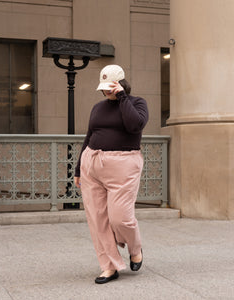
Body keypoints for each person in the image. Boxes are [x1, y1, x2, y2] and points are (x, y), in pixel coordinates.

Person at [74, 64, 149, 284]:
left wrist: (122, 97)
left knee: (120, 218)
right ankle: (108, 266)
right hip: (92, 163)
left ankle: (135, 248)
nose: (106, 91)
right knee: (97, 219)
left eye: (110, 86)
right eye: (104, 87)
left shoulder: (136, 103)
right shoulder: (98, 108)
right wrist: (79, 167)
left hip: (123, 165)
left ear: (120, 83)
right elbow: (89, 136)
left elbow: (135, 125)